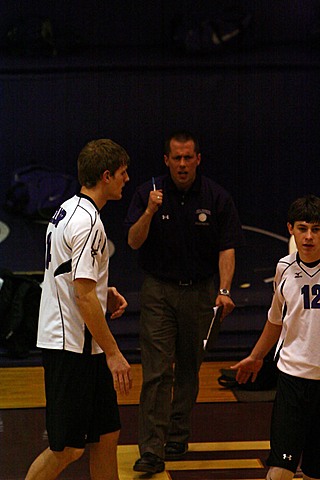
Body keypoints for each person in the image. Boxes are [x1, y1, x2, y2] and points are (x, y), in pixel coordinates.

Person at [124, 130, 243, 474]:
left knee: (189, 368)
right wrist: (149, 210)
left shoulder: (217, 197)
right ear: (166, 161)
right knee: (157, 370)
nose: (181, 164)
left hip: (202, 292)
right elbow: (133, 242)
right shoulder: (147, 193)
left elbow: (227, 247)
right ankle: (150, 448)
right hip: (158, 291)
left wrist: (224, 290)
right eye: (175, 158)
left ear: (198, 159)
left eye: (187, 157)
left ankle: (177, 433)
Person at [25, 139, 133, 480]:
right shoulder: (89, 223)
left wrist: (104, 291)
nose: (126, 179)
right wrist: (114, 353)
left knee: (107, 434)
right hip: (69, 346)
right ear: (105, 176)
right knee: (67, 448)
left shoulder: (67, 209)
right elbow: (83, 294)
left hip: (84, 345)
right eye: (122, 173)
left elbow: (71, 275)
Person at [231, 194, 320, 480]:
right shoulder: (284, 267)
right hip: (292, 378)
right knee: (280, 469)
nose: (308, 237)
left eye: (316, 229)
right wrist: (256, 357)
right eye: (302, 228)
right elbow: (275, 321)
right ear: (290, 229)